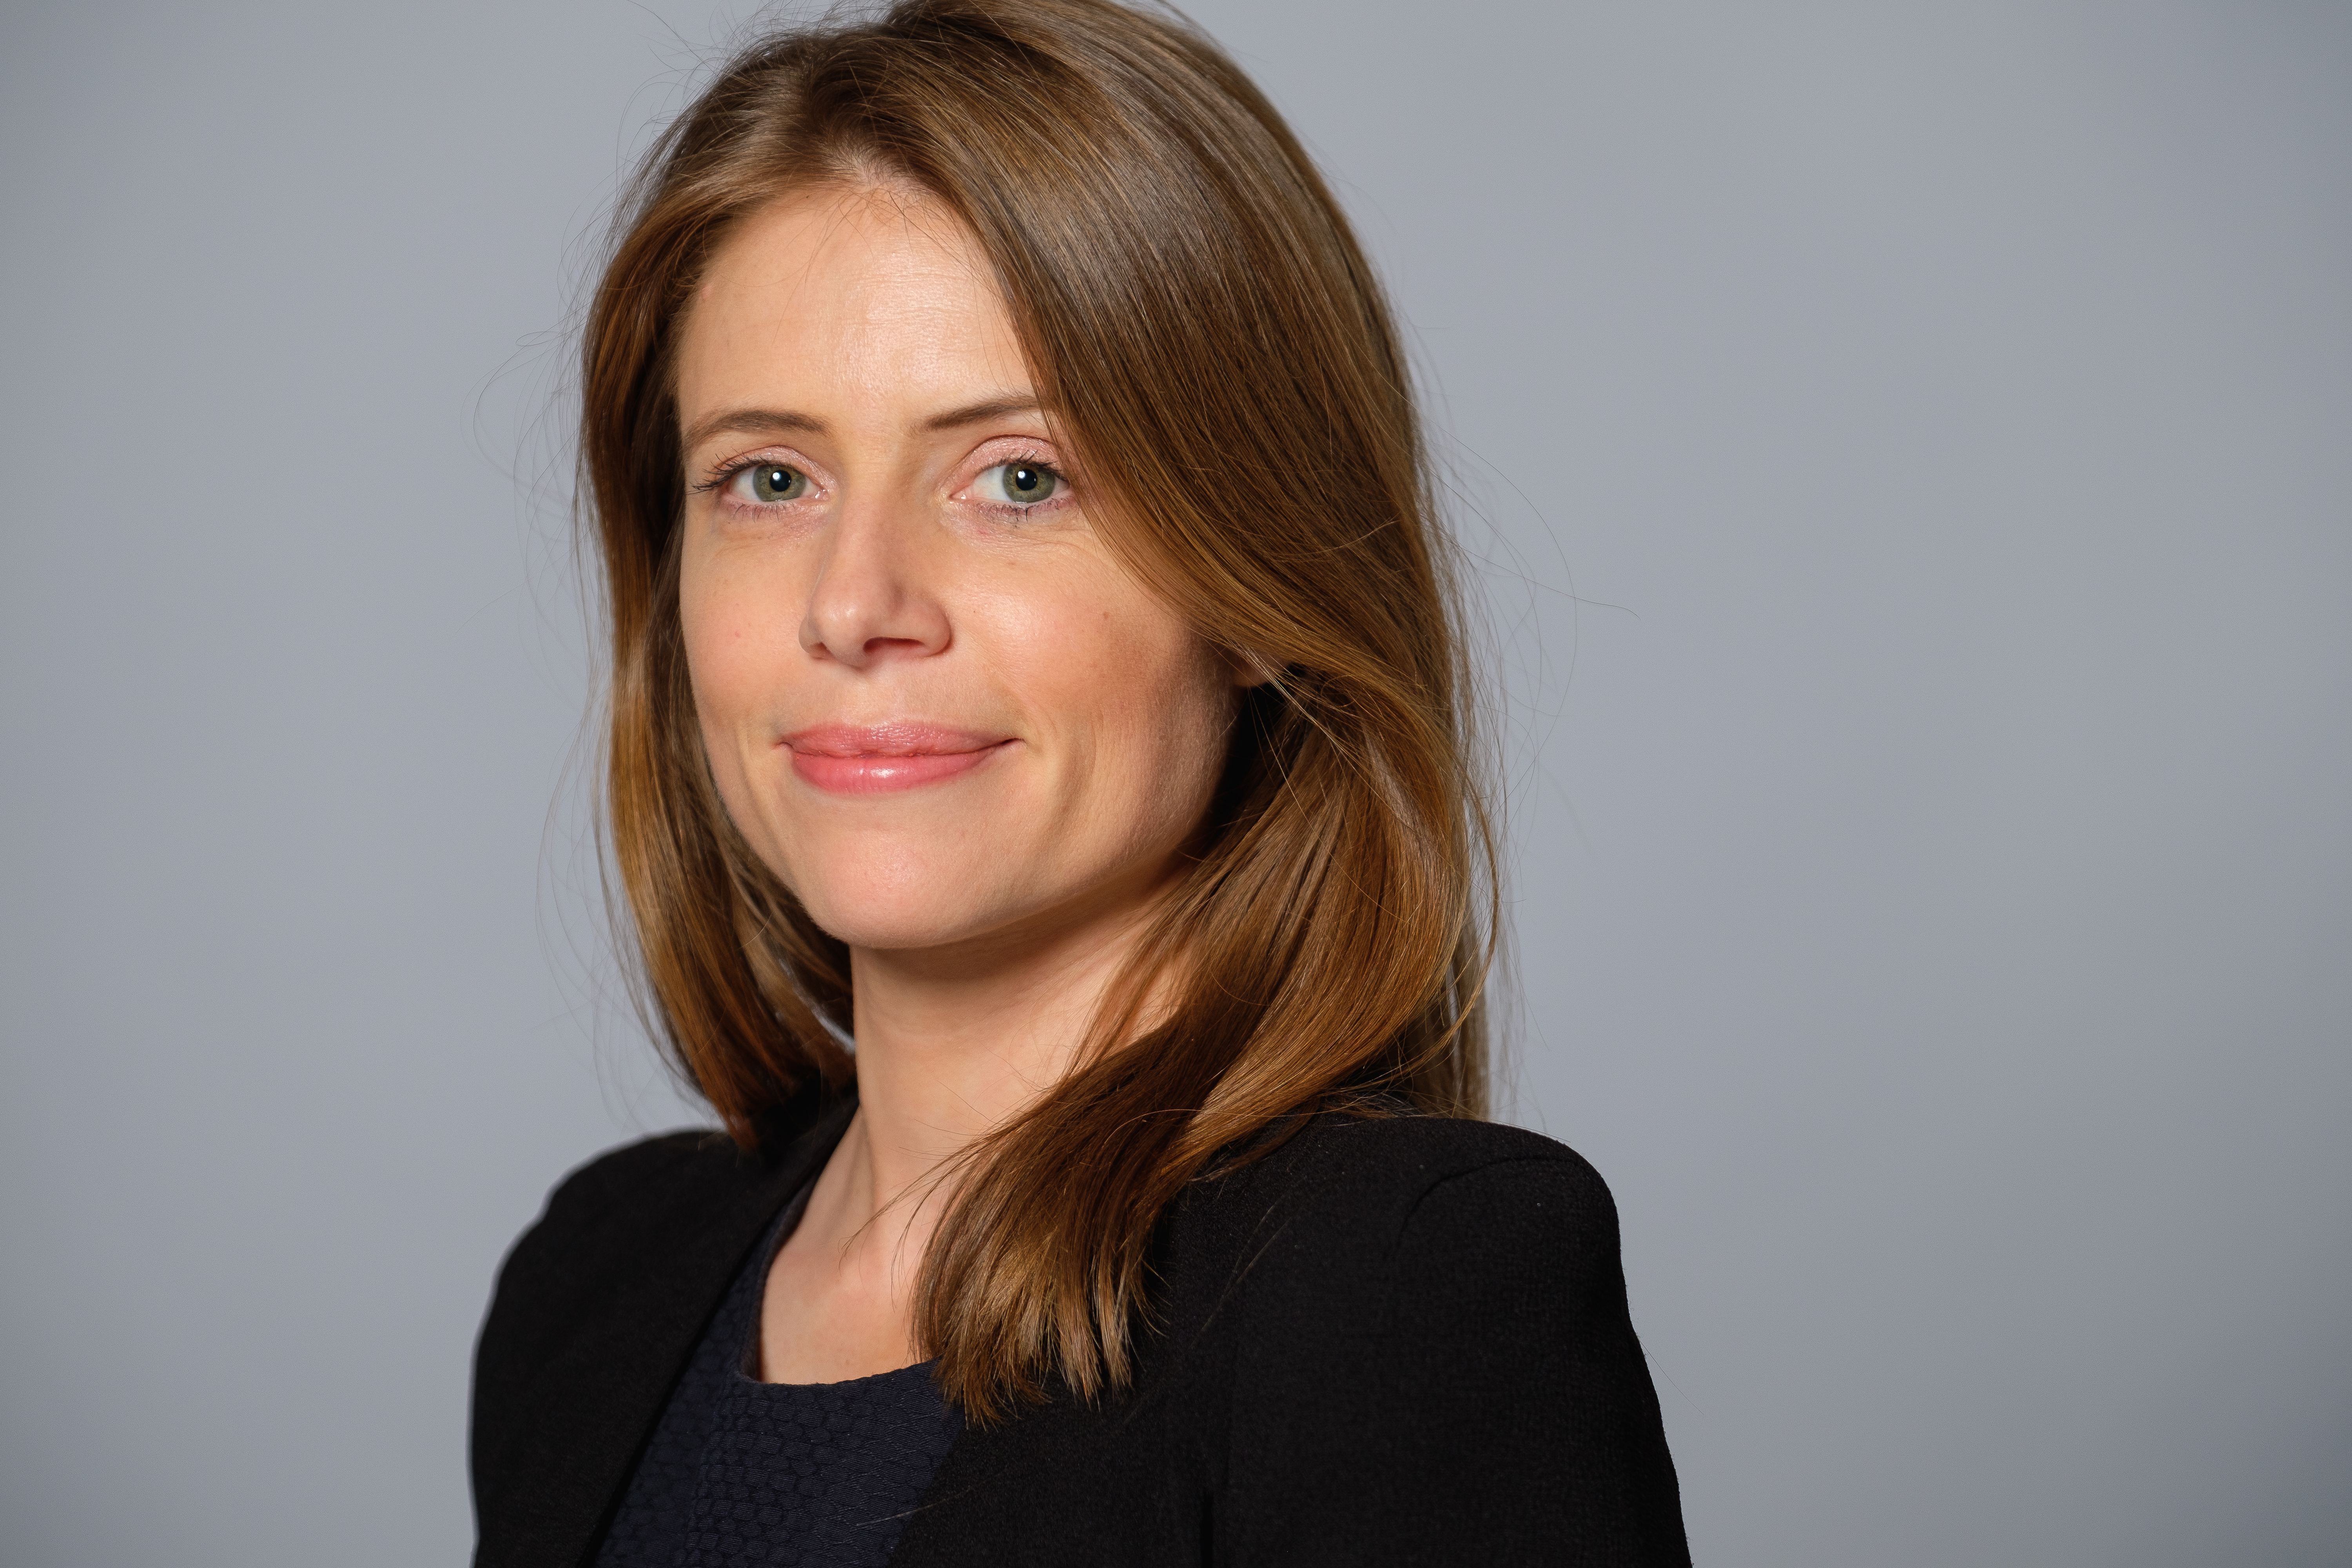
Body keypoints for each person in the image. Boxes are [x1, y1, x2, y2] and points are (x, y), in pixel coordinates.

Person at [470, 2, 1688, 1563]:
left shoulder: (1404, 1288)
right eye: (768, 479)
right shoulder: (596, 1288)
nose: (857, 604)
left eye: (1019, 478)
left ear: (1254, 583)